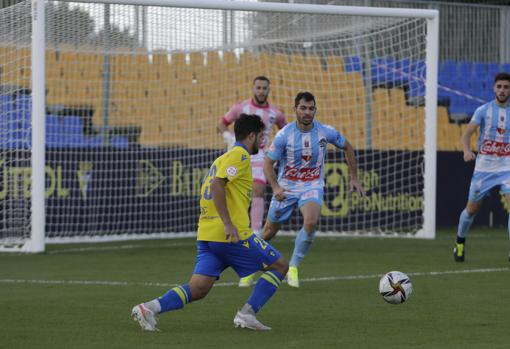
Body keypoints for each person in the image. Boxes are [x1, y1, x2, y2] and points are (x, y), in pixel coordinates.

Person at [132, 114, 289, 331]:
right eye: (261, 136)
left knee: (198, 288)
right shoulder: (240, 156)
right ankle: (247, 314)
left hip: (207, 234)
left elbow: (212, 186)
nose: (263, 141)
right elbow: (217, 186)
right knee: (280, 266)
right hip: (231, 235)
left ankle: (148, 308)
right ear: (251, 135)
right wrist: (227, 223)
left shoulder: (220, 159)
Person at [261, 91, 365, 288]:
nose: (307, 112)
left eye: (311, 108)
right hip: (286, 188)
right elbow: (268, 163)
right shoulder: (284, 135)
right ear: (295, 110)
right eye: (303, 108)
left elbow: (348, 147)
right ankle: (248, 266)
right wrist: (275, 187)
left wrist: (354, 177)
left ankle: (293, 266)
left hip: (312, 186)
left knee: (310, 221)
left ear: (315, 110)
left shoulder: (325, 131)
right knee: (268, 233)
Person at [218, 77, 287, 288]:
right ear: (253, 89)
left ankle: (256, 232)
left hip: (261, 157)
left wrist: (278, 148)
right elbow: (221, 123)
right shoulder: (241, 107)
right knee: (234, 192)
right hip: (240, 152)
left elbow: (284, 131)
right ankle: (234, 229)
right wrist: (229, 139)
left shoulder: (276, 112)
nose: (261, 90)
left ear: (269, 89)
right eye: (258, 87)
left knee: (258, 189)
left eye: (265, 88)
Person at [454, 72, 510, 262]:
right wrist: (466, 151)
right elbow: (466, 134)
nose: (502, 90)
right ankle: (460, 243)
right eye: (499, 87)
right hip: (484, 168)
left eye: (506, 87)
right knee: (471, 209)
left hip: (507, 168)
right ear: (494, 88)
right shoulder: (483, 110)